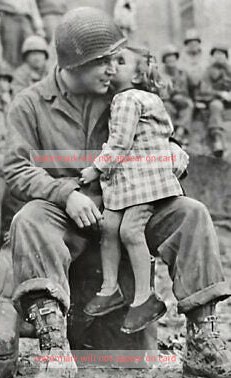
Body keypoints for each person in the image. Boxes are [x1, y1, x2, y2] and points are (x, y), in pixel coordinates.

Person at [5, 7, 231, 378]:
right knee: (28, 219)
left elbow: (163, 138)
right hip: (65, 215)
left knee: (190, 214)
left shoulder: (126, 96)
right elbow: (15, 167)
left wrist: (174, 157)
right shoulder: (29, 105)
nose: (113, 68)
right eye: (102, 61)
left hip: (129, 211)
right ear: (73, 64)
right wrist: (66, 193)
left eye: (115, 59)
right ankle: (54, 355)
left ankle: (204, 345)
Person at [80, 45, 186, 335]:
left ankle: (145, 297)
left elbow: (120, 143)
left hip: (145, 181)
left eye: (121, 61)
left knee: (129, 231)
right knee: (109, 225)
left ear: (138, 74)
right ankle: (109, 287)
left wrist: (95, 168)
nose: (113, 65)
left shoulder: (129, 99)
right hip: (129, 181)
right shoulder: (133, 98)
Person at [0, 0, 45, 67]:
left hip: (25, 19)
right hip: (9, 17)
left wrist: (39, 27)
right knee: (11, 52)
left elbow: (33, 7)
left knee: (28, 48)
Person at [161, 44, 193, 147]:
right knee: (167, 108)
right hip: (168, 101)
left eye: (173, 57)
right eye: (168, 57)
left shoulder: (182, 73)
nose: (171, 60)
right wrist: (172, 95)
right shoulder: (160, 74)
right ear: (164, 60)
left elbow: (191, 88)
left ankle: (180, 132)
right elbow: (161, 92)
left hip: (182, 100)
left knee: (189, 105)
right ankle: (171, 135)